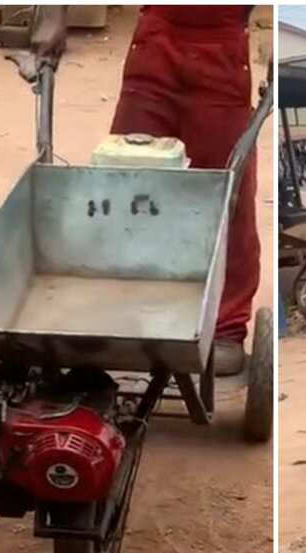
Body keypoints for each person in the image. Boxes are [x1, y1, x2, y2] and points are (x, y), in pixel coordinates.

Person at [31, 5, 264, 376]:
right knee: (124, 182)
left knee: (226, 194)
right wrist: (53, 17)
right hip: (155, 46)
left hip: (221, 53)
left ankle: (225, 326)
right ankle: (118, 307)